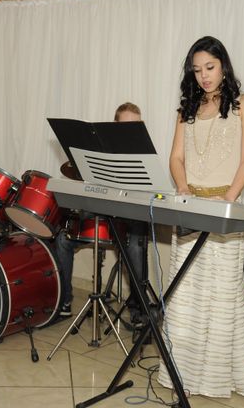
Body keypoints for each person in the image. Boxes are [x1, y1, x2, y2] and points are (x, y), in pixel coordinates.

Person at [158, 36, 244, 398]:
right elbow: (175, 157)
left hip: (224, 210)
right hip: (190, 208)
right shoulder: (185, 110)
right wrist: (183, 188)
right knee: (184, 293)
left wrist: (228, 202)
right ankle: (180, 374)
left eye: (210, 67)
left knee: (221, 295)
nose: (204, 76)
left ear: (224, 65)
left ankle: (216, 377)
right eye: (197, 70)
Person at [53, 102, 149, 329]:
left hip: (127, 217)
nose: (129, 133)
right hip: (100, 212)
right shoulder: (98, 150)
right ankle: (64, 301)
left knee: (136, 243)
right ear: (113, 126)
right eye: (124, 126)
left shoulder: (145, 158)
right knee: (62, 238)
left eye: (135, 127)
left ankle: (139, 310)